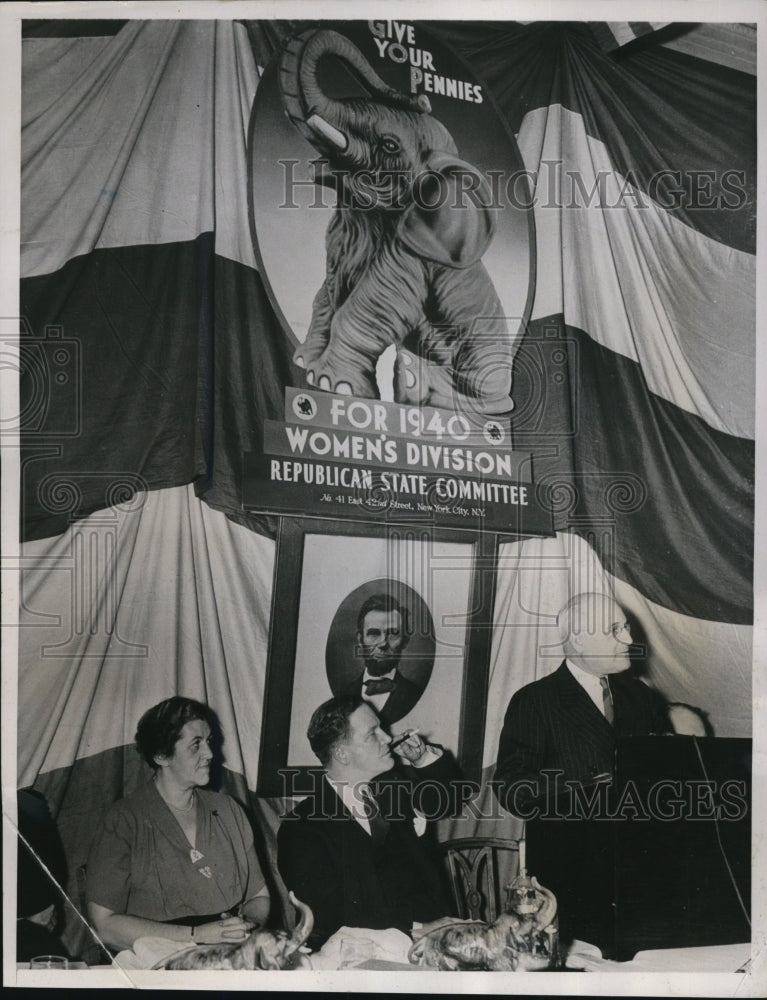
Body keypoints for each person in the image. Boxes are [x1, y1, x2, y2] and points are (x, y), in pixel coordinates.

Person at [493, 592, 670, 955]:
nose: (629, 640)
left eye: (626, 628)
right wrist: (585, 781)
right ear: (578, 639)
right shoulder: (535, 701)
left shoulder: (642, 698)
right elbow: (511, 788)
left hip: (641, 872)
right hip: (572, 878)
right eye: (615, 629)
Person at [87, 697, 270, 952]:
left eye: (209, 742)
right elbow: (104, 926)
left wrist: (243, 926)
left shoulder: (228, 809)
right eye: (196, 744)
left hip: (227, 954)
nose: (210, 754)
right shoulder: (124, 820)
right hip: (155, 959)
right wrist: (196, 936)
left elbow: (259, 896)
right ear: (162, 755)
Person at [277, 696, 458, 949]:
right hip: (361, 955)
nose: (388, 738)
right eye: (373, 733)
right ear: (342, 754)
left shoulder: (394, 789)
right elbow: (329, 916)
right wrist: (416, 929)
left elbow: (449, 800)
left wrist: (422, 758)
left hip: (437, 941)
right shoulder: (300, 829)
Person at [346, 593, 422, 725]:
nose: (383, 643)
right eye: (374, 633)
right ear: (360, 639)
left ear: (405, 641)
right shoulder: (344, 694)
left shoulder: (417, 695)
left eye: (393, 634)